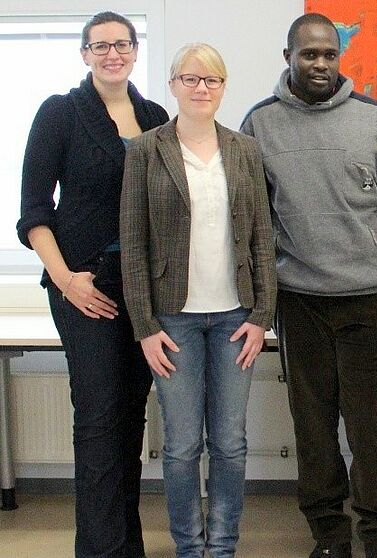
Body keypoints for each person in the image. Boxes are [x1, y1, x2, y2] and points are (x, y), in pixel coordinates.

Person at [240, 12, 377, 558]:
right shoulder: (259, 123)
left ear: (341, 58)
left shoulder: (374, 118)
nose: (320, 64)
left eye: (330, 54)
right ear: (288, 56)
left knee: (373, 431)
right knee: (313, 430)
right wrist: (261, 306)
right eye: (309, 54)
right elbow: (254, 224)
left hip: (372, 299)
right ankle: (330, 537)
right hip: (301, 303)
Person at [16, 11, 168, 557]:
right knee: (100, 417)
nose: (112, 54)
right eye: (99, 45)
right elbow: (34, 212)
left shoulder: (154, 116)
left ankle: (126, 545)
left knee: (130, 417)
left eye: (122, 44)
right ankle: (100, 551)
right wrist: (65, 281)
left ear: (134, 51)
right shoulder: (60, 113)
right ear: (84, 54)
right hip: (84, 284)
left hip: (142, 289)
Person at [119, 43, 277, 558]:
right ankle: (190, 546)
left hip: (235, 315)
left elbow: (261, 237)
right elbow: (134, 242)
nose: (201, 89)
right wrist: (144, 324)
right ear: (173, 85)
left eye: (211, 80)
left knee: (230, 442)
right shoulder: (145, 150)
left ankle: (223, 544)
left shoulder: (244, 149)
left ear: (223, 87)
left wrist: (261, 316)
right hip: (172, 320)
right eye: (190, 79)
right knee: (183, 445)